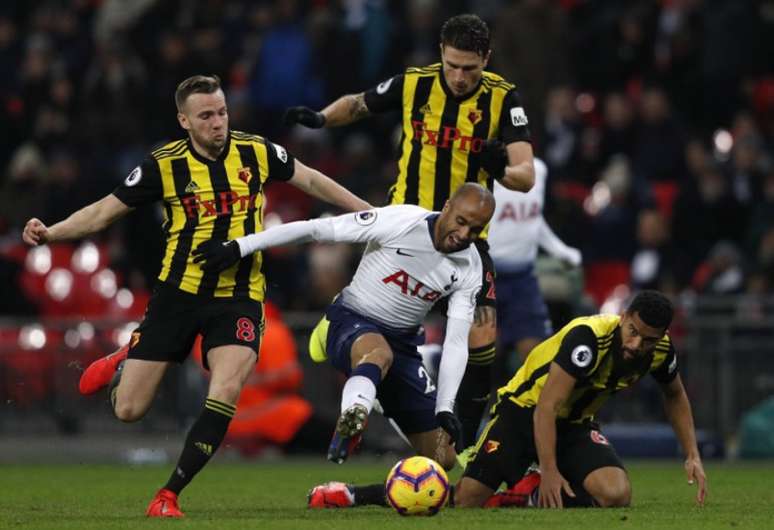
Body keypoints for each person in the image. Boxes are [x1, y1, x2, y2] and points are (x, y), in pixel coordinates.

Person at [22, 74, 371, 518]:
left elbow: (312, 181)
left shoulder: (257, 151)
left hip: (240, 296)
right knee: (128, 409)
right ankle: (129, 353)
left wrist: (370, 213)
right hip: (178, 295)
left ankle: (168, 495)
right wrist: (51, 233)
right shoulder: (162, 165)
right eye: (206, 115)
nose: (217, 122)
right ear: (184, 120)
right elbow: (102, 213)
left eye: (222, 112)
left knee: (226, 389)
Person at [284, 13, 536, 449]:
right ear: (441, 53)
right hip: (405, 228)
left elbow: (525, 174)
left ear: (486, 60)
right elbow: (360, 103)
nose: (459, 77)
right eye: (452, 65)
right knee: (380, 324)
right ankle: (349, 345)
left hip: (466, 242)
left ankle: (466, 440)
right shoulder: (414, 83)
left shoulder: (503, 99)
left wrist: (502, 169)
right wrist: (322, 119)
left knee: (482, 335)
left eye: (470, 69)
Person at [193, 184, 495, 484]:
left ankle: (367, 413)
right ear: (446, 207)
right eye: (461, 222)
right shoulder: (401, 221)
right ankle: (355, 411)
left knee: (444, 459)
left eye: (475, 229)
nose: (464, 235)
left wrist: (444, 408)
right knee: (378, 354)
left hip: (404, 344)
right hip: (352, 318)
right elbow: (315, 230)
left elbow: (456, 341)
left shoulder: (470, 266)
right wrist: (240, 246)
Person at [308, 290, 707, 510]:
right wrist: (551, 470)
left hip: (575, 425)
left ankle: (523, 494)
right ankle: (356, 494)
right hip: (522, 413)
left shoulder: (660, 351)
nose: (638, 345)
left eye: (648, 339)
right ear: (623, 317)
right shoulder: (588, 338)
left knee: (616, 494)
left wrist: (691, 453)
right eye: (633, 331)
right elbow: (546, 406)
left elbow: (675, 394)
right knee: (464, 501)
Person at [488, 157, 581, 378]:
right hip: (484, 276)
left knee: (535, 353)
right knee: (481, 353)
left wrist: (559, 250)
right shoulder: (483, 168)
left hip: (523, 278)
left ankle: (530, 410)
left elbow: (533, 219)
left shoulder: (539, 169)